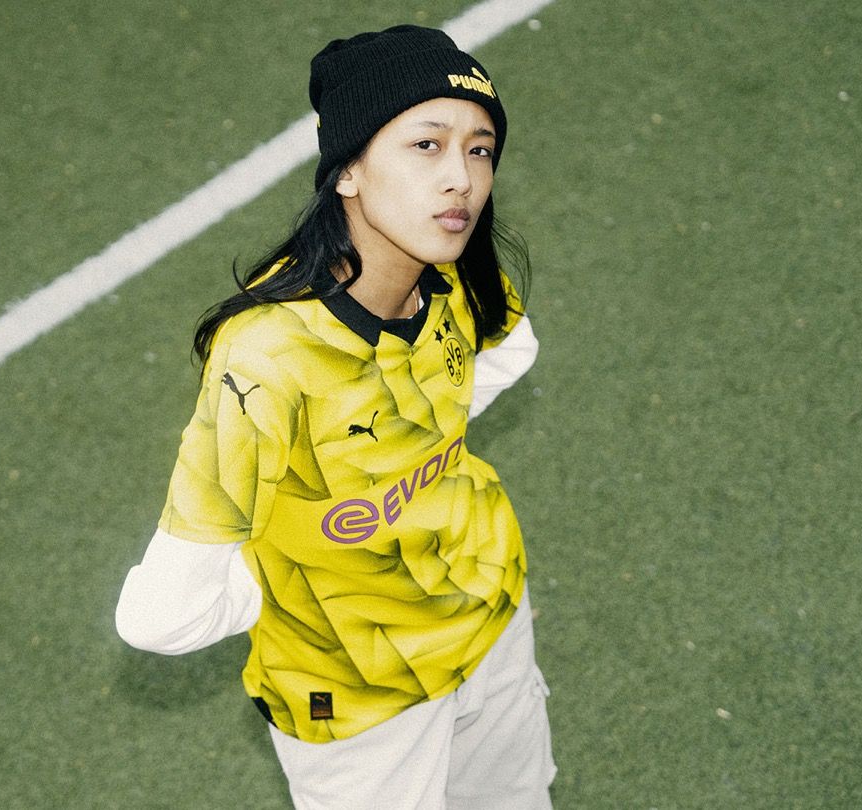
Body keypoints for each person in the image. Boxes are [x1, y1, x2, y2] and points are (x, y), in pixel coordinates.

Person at [116, 24, 555, 809]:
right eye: (426, 145)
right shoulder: (267, 359)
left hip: (489, 615)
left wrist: (408, 453)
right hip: (357, 696)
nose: (460, 178)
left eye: (480, 149)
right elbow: (159, 618)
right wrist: (284, 573)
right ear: (348, 168)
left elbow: (510, 349)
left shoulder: (454, 276)